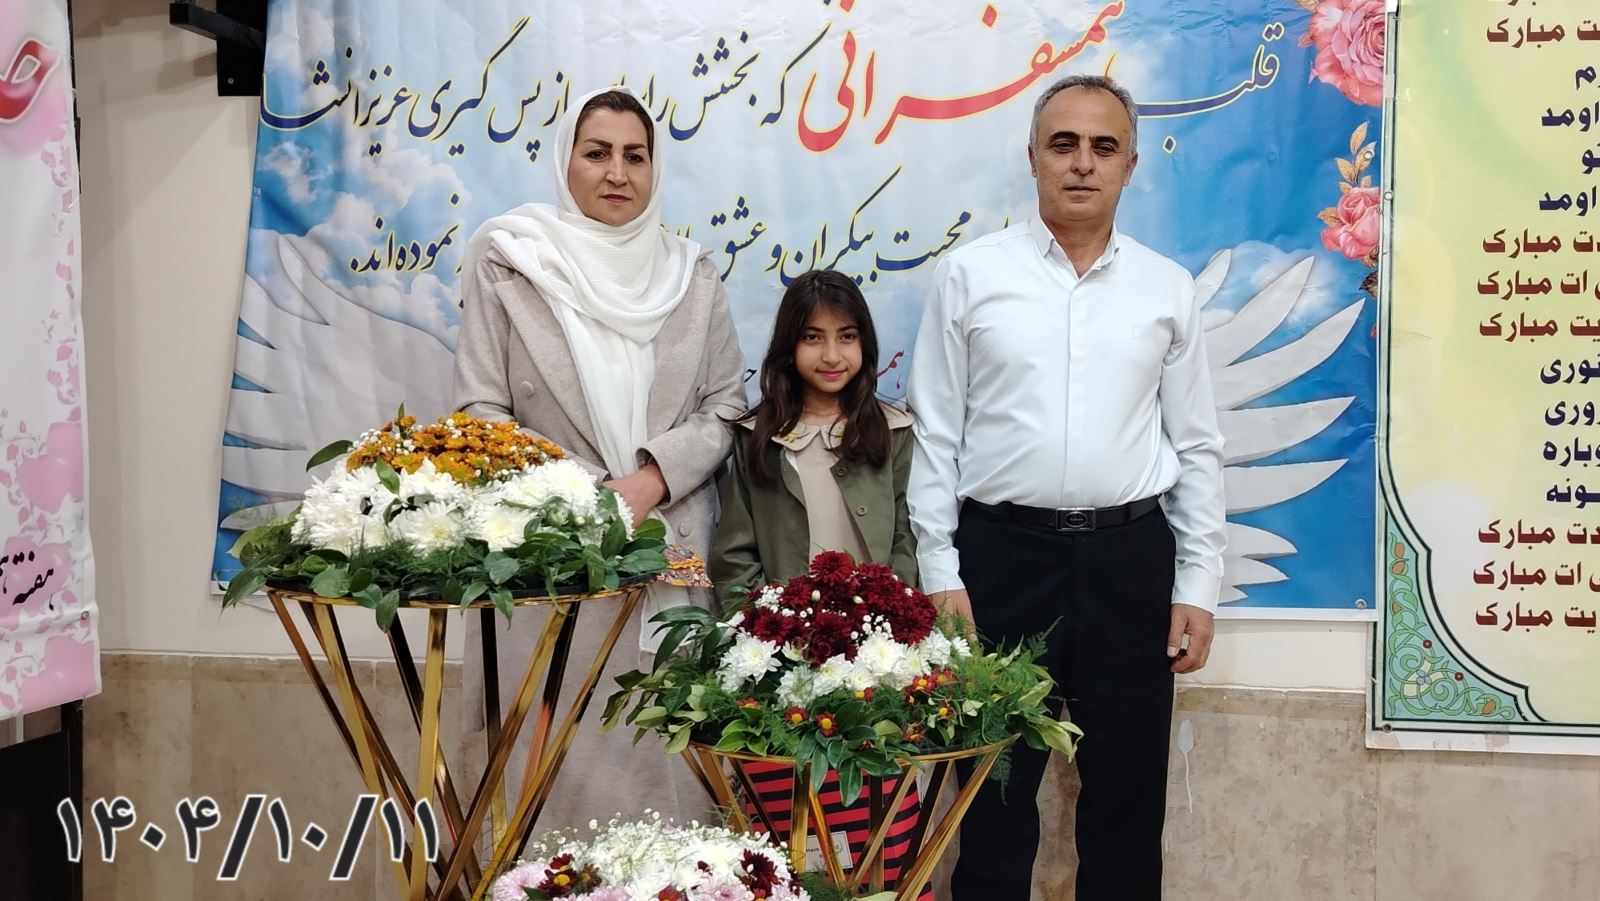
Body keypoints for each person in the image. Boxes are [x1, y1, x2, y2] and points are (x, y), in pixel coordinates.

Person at [905, 74, 1226, 901]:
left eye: (1103, 146)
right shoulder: (969, 276)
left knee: (1126, 803)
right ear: (1033, 157)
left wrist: (1197, 583)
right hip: (1000, 561)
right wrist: (940, 570)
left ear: (1130, 166)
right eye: (1064, 143)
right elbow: (936, 434)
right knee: (993, 799)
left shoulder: (1166, 287)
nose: (1083, 162)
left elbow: (1197, 445)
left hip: (1131, 562)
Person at [452, 85, 747, 833]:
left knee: (671, 780)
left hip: (670, 554)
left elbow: (726, 406)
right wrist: (590, 495)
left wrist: (650, 480)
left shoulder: (693, 274)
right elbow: (481, 415)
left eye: (635, 156)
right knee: (551, 785)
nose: (617, 173)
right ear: (566, 163)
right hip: (551, 560)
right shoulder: (510, 263)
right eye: (597, 153)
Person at [710, 269, 926, 897]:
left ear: (866, 345)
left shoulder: (892, 431)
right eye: (813, 338)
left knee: (876, 812)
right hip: (787, 656)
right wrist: (762, 633)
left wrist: (895, 623)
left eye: (847, 336)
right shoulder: (757, 438)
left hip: (874, 655)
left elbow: (906, 536)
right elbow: (735, 554)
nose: (832, 355)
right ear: (788, 347)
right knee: (790, 824)